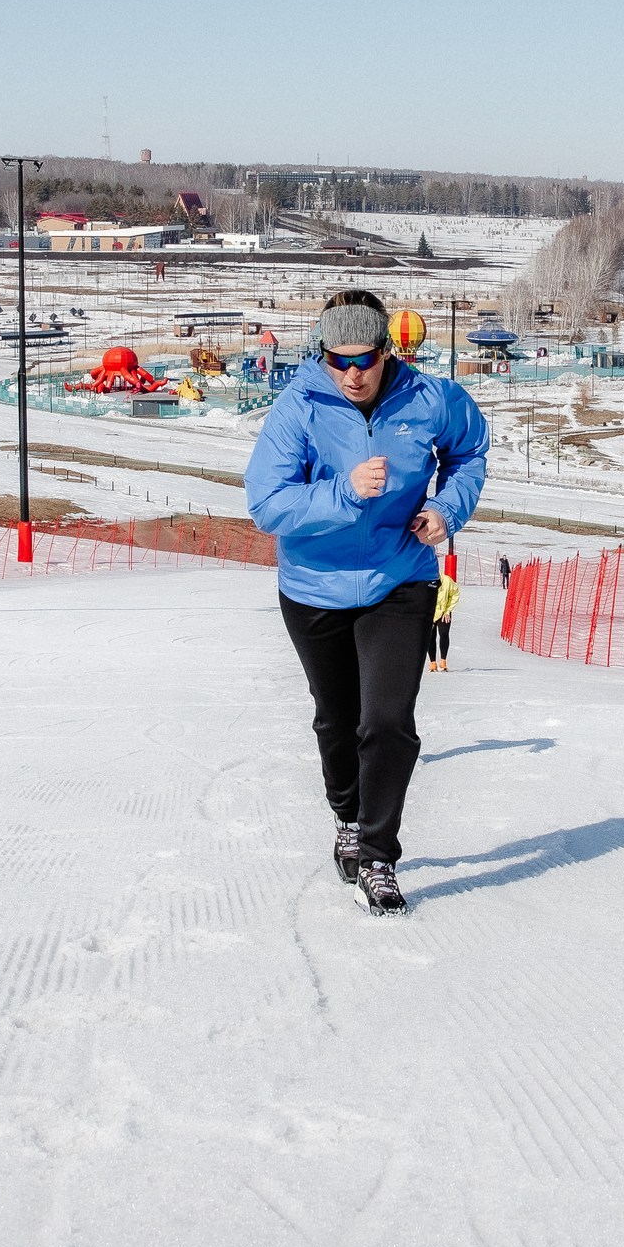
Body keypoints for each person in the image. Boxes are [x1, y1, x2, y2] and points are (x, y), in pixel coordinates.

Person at [246, 289, 489, 915]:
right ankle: (348, 817)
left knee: (386, 721)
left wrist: (445, 510)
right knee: (337, 718)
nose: (352, 374)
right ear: (322, 355)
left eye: (364, 360)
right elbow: (267, 504)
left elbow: (469, 453)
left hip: (398, 578)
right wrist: (344, 491)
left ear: (387, 352)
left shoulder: (431, 399)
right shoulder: (298, 406)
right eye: (338, 360)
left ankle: (378, 856)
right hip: (314, 587)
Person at [429, 554, 459, 672]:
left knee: (444, 634)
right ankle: (432, 663)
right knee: (430, 637)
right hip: (430, 613)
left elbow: (455, 594)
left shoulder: (447, 581)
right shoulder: (427, 581)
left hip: (444, 612)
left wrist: (448, 611)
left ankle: (443, 661)